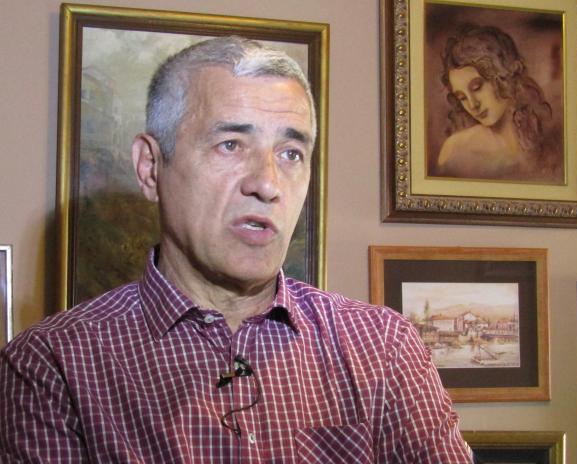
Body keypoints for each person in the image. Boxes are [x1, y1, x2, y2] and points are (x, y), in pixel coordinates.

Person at [0, 36, 472, 463]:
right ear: (150, 167)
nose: (267, 184)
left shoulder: (383, 346)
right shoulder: (52, 366)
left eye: (290, 154)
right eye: (230, 145)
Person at [436, 24, 562, 182]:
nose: (473, 105)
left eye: (477, 87)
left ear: (503, 76)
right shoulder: (455, 149)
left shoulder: (545, 136)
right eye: (462, 97)